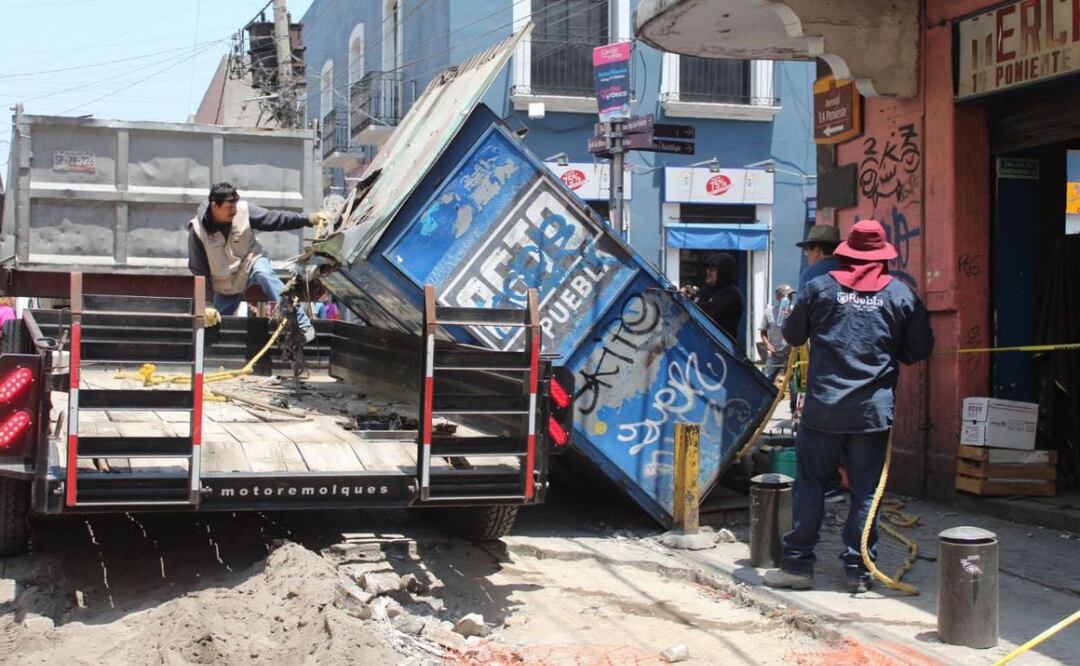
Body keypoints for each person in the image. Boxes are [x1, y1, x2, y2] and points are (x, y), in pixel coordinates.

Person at [764, 220, 934, 594]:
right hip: (871, 413)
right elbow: (919, 349)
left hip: (823, 408)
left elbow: (792, 335)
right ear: (884, 256)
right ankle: (858, 572)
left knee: (810, 485)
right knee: (866, 491)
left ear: (846, 253)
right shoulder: (900, 295)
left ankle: (797, 566)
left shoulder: (819, 288)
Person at [188, 183, 329, 343]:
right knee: (212, 321)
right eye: (229, 207)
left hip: (251, 260)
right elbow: (199, 271)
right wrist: (206, 303)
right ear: (215, 206)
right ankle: (205, 352)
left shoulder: (243, 210)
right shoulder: (197, 232)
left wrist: (307, 219)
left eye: (235, 205)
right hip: (227, 282)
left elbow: (274, 218)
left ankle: (301, 324)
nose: (234, 211)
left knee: (264, 274)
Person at [695, 253, 743, 339]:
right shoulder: (706, 290)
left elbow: (707, 313)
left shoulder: (731, 294)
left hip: (719, 344)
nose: (708, 272)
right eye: (707, 268)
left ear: (723, 272)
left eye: (712, 269)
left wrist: (694, 301)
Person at [759, 285, 793, 379]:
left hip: (791, 353)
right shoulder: (769, 312)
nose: (790, 298)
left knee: (792, 383)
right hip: (775, 353)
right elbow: (763, 331)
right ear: (778, 297)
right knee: (766, 379)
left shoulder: (795, 311)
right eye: (786, 295)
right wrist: (768, 344)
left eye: (791, 295)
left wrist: (791, 317)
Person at [796, 225, 841, 293]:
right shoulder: (849, 269)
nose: (806, 256)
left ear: (817, 251)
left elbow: (802, 299)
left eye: (807, 251)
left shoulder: (809, 274)